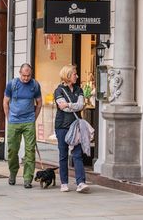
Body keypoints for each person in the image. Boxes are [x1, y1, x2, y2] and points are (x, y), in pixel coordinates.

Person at [3, 63, 42, 188]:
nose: (26, 78)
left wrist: (33, 118)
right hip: (14, 121)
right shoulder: (12, 84)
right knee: (12, 150)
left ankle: (27, 179)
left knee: (30, 151)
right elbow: (5, 102)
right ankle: (13, 173)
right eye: (24, 75)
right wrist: (8, 118)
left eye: (28, 76)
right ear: (20, 73)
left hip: (28, 121)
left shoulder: (35, 85)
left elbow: (39, 103)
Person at [54, 64, 89, 193]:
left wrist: (68, 104)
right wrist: (70, 106)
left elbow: (80, 105)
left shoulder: (79, 90)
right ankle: (64, 183)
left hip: (75, 126)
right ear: (68, 75)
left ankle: (81, 182)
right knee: (63, 154)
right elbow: (62, 107)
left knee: (77, 154)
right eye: (75, 74)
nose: (77, 76)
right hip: (62, 126)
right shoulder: (59, 90)